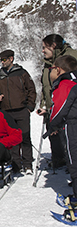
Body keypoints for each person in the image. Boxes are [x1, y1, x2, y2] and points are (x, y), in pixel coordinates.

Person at [0, 49, 36, 175]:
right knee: (11, 139)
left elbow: (31, 89)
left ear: (11, 59)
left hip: (22, 110)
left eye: (4, 59)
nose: (2, 62)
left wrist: (29, 107)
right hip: (6, 111)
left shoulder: (22, 73)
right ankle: (16, 165)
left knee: (25, 137)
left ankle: (27, 164)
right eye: (0, 60)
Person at [37, 34, 77, 170]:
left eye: (44, 47)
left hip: (70, 109)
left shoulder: (70, 58)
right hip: (55, 107)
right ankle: (62, 161)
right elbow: (46, 86)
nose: (42, 51)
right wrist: (45, 104)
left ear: (53, 46)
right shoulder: (49, 63)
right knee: (58, 139)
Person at [47, 55, 77, 198]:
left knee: (74, 162)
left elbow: (59, 109)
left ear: (58, 70)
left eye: (51, 69)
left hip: (72, 126)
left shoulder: (65, 84)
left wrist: (52, 125)